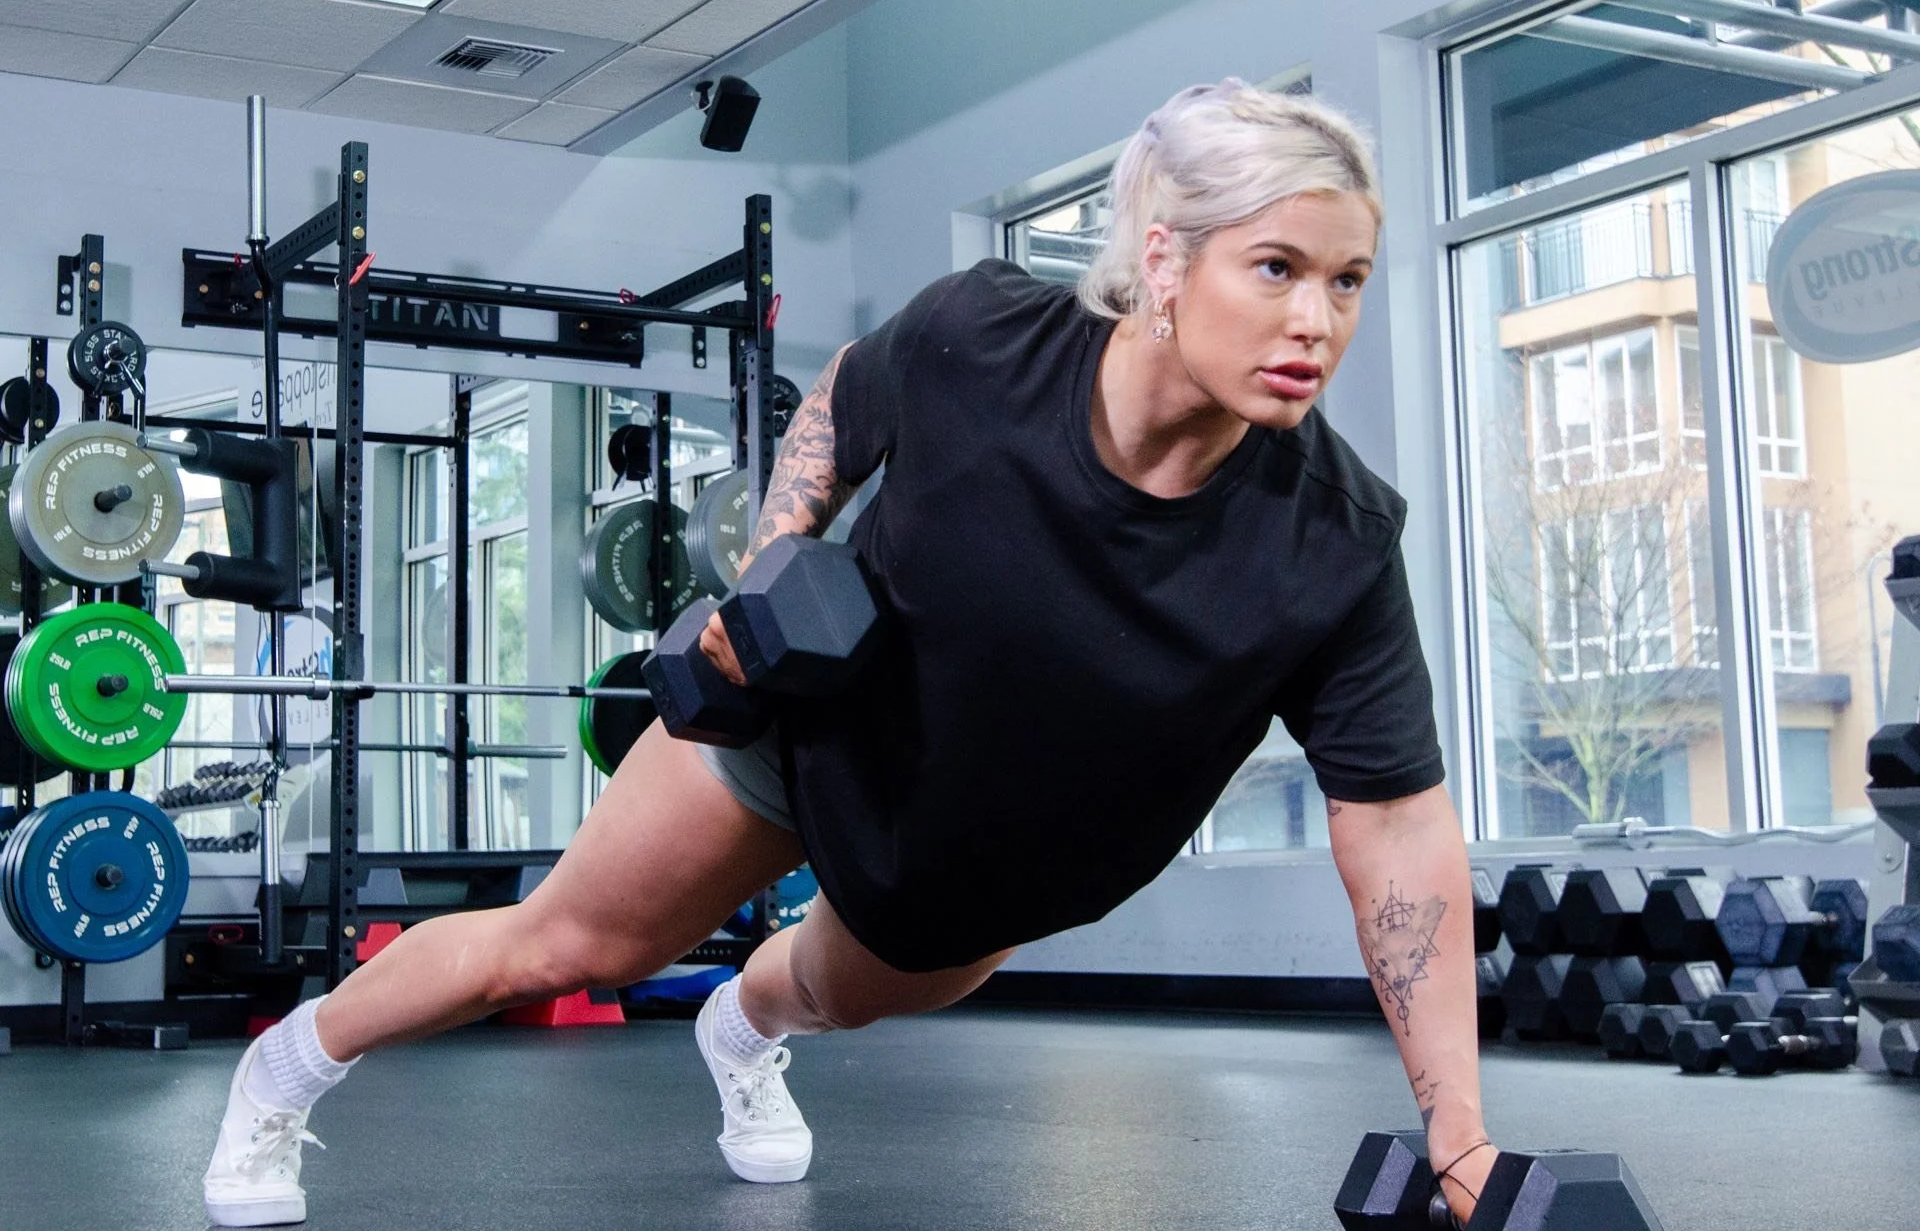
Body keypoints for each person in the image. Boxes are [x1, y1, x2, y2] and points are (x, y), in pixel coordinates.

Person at [202, 79, 1499, 1228]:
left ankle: (745, 1031)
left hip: (984, 861)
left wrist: (1457, 1123)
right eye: (1276, 268)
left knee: (821, 991)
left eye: (1348, 280)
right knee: (567, 951)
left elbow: (1392, 827)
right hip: (808, 711)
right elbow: (842, 403)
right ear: (1165, 261)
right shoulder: (982, 337)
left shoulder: (1334, 543)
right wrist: (779, 555)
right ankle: (288, 1067)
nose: (1318, 319)